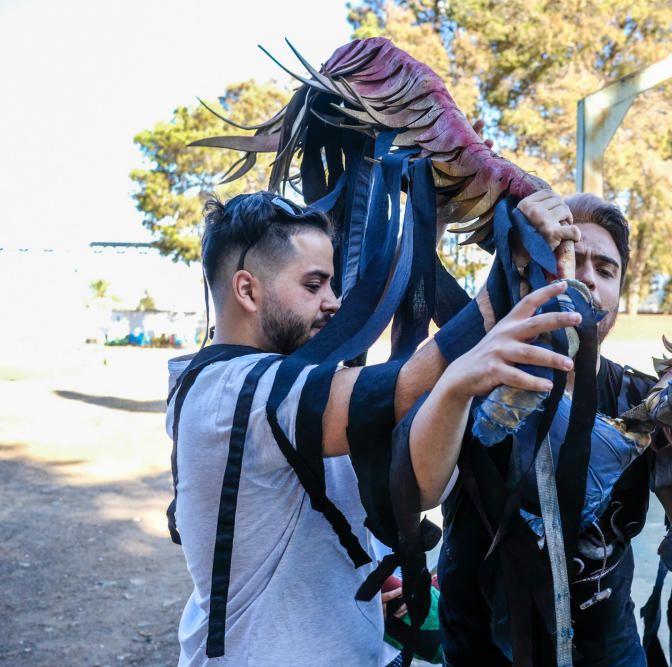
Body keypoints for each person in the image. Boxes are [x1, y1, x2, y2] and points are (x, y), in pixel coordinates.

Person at [166, 190, 580, 665]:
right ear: (247, 290)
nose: (334, 302)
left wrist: (433, 214)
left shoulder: (283, 390)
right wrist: (509, 270)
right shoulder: (232, 392)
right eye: (314, 285)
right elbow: (397, 387)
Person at [436, 193, 672, 666]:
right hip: (479, 653)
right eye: (569, 258)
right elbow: (415, 487)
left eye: (606, 270)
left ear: (618, 294)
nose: (587, 277)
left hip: (611, 654)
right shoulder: (472, 375)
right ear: (528, 271)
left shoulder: (651, 402)